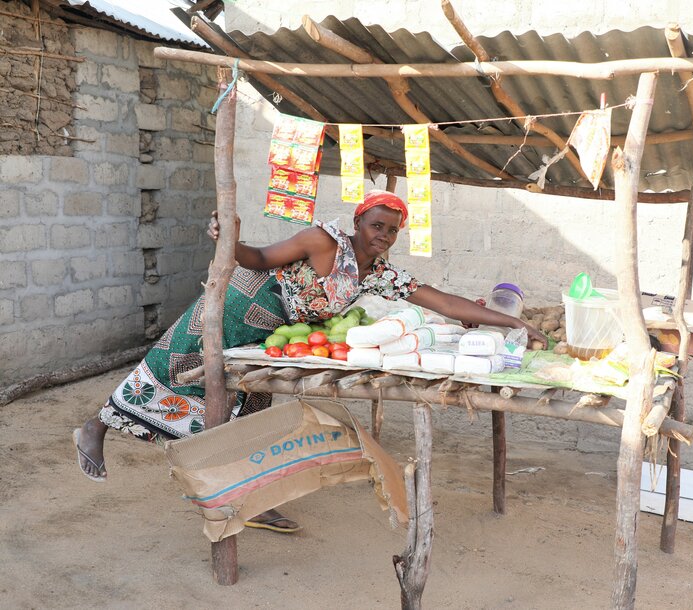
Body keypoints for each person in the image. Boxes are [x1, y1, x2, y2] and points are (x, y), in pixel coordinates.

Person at [73, 190, 545, 532]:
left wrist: (514, 325)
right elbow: (257, 258)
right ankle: (97, 425)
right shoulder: (323, 241)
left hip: (276, 336)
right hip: (240, 307)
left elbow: (440, 300)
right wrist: (228, 241)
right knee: (171, 369)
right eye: (376, 225)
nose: (382, 236)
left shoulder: (379, 273)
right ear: (359, 222)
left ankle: (247, 499)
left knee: (244, 409)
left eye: (391, 231)